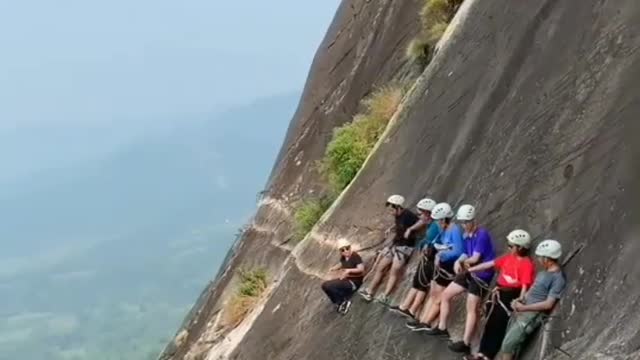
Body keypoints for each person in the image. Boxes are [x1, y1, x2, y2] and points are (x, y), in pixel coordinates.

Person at [422, 205, 496, 354]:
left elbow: (475, 258)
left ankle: (466, 342)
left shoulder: (482, 234)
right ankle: (442, 327)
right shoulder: (466, 235)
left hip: (482, 275)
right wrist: (458, 261)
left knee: (471, 307)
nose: (464, 225)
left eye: (466, 222)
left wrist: (462, 262)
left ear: (473, 220)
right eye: (462, 222)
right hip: (469, 271)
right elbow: (465, 253)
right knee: (446, 295)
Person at [463, 229, 536, 360]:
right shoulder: (508, 258)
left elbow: (525, 285)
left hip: (510, 295)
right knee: (490, 323)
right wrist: (470, 269)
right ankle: (481, 353)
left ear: (519, 247)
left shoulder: (526, 264)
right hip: (499, 293)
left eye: (511, 246)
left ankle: (487, 355)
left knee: (499, 325)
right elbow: (491, 264)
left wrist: (521, 299)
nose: (508, 247)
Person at [496, 239, 566, 360]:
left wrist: (524, 308)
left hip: (532, 315)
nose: (538, 260)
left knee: (508, 345)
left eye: (540, 257)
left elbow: (548, 304)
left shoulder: (557, 279)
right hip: (524, 309)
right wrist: (521, 299)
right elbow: (533, 289)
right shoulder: (544, 272)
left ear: (547, 259)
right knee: (511, 342)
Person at [406, 202, 464, 331]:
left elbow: (458, 251)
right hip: (440, 266)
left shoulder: (454, 230)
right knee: (433, 293)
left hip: (447, 267)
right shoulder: (444, 230)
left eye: (438, 221)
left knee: (438, 296)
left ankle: (427, 322)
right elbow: (436, 241)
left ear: (444, 219)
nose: (437, 223)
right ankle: (422, 320)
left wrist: (442, 255)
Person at [359, 195, 420, 305]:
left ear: (398, 207)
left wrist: (411, 230)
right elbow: (399, 225)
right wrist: (393, 228)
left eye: (392, 209)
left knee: (394, 271)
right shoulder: (397, 215)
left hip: (405, 247)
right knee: (381, 267)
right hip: (396, 244)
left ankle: (385, 295)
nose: (390, 212)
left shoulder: (408, 215)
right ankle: (370, 291)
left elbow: (421, 222)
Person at [389, 198, 440, 318]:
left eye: (420, 214)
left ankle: (411, 309)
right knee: (419, 282)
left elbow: (432, 241)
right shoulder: (432, 224)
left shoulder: (435, 226)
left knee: (421, 283)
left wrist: (425, 245)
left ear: (427, 213)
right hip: (429, 257)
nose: (419, 217)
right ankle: (406, 307)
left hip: (432, 259)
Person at [321, 238, 365, 314]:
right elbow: (342, 264)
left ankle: (344, 301)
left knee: (329, 285)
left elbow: (361, 269)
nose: (346, 251)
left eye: (347, 248)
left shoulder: (355, 256)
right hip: (347, 280)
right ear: (340, 252)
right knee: (324, 285)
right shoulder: (343, 258)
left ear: (350, 247)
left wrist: (349, 270)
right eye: (342, 250)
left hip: (354, 282)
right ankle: (338, 302)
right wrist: (335, 268)